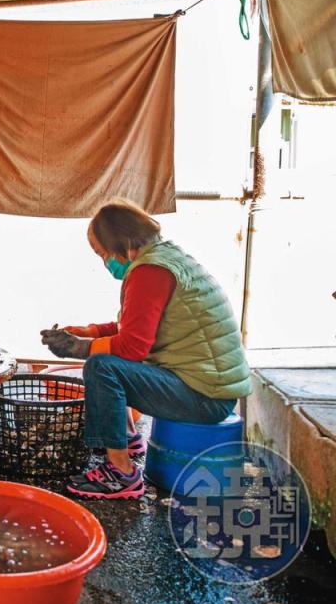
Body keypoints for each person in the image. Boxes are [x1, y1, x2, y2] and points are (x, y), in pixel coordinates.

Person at [41, 199, 251, 500]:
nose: (105, 262)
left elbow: (132, 346)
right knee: (108, 358)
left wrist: (80, 348)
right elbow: (137, 326)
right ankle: (126, 437)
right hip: (213, 388)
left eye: (103, 254)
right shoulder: (166, 258)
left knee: (101, 366)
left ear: (122, 243)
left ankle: (121, 472)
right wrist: (90, 333)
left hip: (205, 397)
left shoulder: (149, 271)